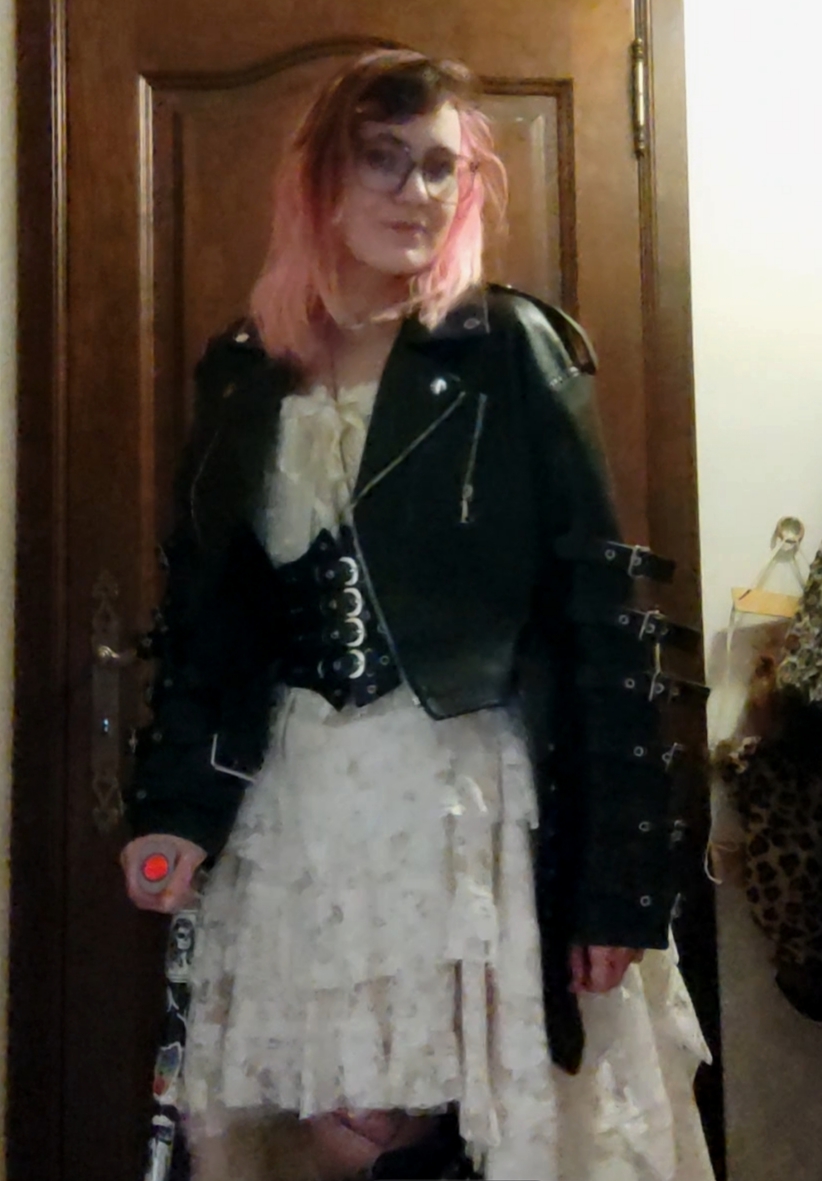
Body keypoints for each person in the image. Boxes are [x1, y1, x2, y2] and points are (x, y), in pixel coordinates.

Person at [121, 48, 715, 1181]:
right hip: (298, 805)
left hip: (469, 800)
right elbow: (210, 622)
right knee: (317, 1131)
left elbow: (600, 622)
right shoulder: (246, 373)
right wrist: (173, 806)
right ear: (322, 180)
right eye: (383, 160)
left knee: (473, 1122)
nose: (415, 191)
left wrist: (618, 884)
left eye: (440, 167)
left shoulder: (511, 352)